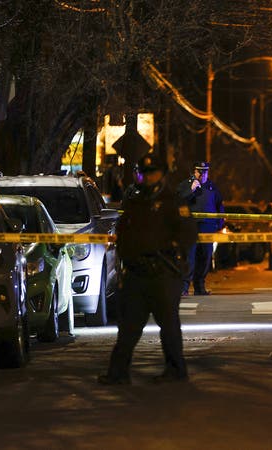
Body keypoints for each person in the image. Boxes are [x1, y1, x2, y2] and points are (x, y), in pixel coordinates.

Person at [98, 152, 198, 385]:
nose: (149, 177)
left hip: (163, 272)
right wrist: (126, 261)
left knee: (169, 326)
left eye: (153, 172)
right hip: (136, 274)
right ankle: (118, 373)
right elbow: (123, 234)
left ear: (161, 174)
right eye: (145, 173)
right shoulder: (135, 201)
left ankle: (176, 370)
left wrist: (171, 249)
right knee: (128, 328)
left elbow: (188, 233)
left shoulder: (173, 202)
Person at [177, 161, 224, 296]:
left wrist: (219, 222)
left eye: (205, 172)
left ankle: (200, 287)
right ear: (194, 172)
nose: (203, 174)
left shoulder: (212, 187)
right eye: (200, 171)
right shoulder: (185, 185)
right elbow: (178, 202)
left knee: (205, 257)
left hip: (208, 226)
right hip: (190, 225)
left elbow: (219, 204)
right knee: (189, 257)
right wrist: (190, 190)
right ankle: (184, 287)